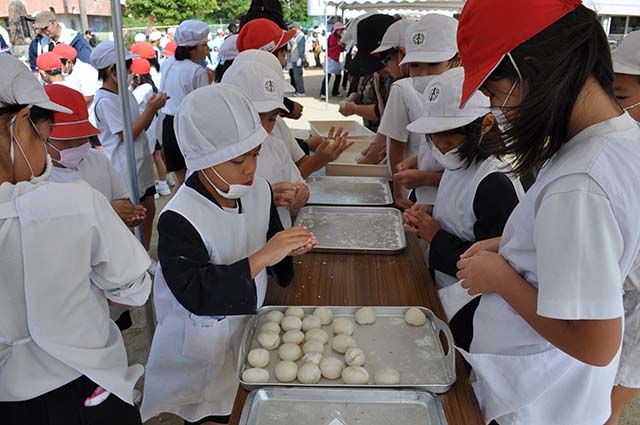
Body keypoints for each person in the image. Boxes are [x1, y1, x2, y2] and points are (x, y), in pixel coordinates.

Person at [454, 1, 640, 424]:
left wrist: (499, 276)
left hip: (539, 402)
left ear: (532, 71)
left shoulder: (580, 183)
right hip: (559, 395)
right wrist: (516, 243)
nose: (498, 114)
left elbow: (595, 342)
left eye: (497, 95)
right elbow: (605, 244)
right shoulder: (617, 140)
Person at [141, 84, 317, 425]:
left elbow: (267, 240)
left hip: (248, 326)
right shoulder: (180, 217)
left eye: (255, 154)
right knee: (208, 408)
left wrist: (287, 249)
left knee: (240, 403)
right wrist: (266, 255)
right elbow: (195, 289)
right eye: (239, 160)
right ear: (203, 160)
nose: (251, 168)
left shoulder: (258, 190)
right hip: (199, 342)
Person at [0, 52, 150, 425]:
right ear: (20, 125)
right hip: (80, 386)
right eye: (45, 137)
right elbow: (134, 287)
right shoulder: (72, 203)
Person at [404, 68, 523, 350]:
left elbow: (501, 265)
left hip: (475, 308)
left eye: (452, 134)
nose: (442, 145)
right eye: (434, 135)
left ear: (485, 124)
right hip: (449, 289)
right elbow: (464, 212)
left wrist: (435, 236)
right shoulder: (461, 162)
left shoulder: (495, 182)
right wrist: (433, 212)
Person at [91, 41, 168, 270]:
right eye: (126, 65)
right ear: (111, 70)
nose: (131, 70)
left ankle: (142, 254)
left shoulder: (124, 93)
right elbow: (128, 133)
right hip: (124, 167)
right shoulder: (105, 100)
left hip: (139, 163)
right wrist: (151, 110)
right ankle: (130, 260)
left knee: (148, 209)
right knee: (131, 216)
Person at [232, 48, 353, 179]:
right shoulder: (228, 149)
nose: (265, 128)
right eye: (257, 116)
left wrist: (322, 157)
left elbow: (295, 171)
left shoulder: (277, 137)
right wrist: (317, 160)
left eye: (271, 118)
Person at [382, 14, 459, 208]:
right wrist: (415, 161)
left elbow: (476, 177)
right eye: (415, 66)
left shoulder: (474, 103)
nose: (424, 74)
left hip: (456, 209)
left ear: (457, 61)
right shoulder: (430, 99)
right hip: (426, 203)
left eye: (433, 65)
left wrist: (426, 178)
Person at [222, 59, 309, 227]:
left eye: (271, 119)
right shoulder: (215, 157)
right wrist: (264, 198)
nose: (262, 127)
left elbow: (298, 181)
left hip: (279, 242)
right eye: (255, 116)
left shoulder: (276, 146)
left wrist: (301, 193)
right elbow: (216, 210)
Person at [607, 29, 640, 425]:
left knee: (605, 407)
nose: (611, 109)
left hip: (634, 309)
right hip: (619, 297)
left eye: (620, 98)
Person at [160, 20, 213, 187]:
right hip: (187, 126)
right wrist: (210, 81)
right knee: (191, 180)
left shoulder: (167, 63)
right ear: (193, 46)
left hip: (168, 124)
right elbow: (203, 105)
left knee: (181, 179)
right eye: (204, 45)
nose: (207, 49)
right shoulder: (197, 71)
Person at [339, 14, 396, 132]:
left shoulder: (401, 80)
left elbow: (387, 112)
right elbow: (361, 92)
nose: (378, 71)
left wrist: (355, 109)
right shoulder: (369, 70)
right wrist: (351, 100)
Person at [130, 57, 171, 197]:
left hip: (147, 128)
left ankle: (155, 186)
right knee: (156, 156)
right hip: (153, 126)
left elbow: (132, 101)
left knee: (149, 159)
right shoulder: (151, 86)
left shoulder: (143, 88)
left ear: (137, 76)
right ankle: (163, 184)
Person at [320, 22, 346, 98]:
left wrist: (342, 46)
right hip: (330, 58)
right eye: (339, 29)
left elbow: (339, 49)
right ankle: (323, 93)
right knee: (328, 76)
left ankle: (335, 91)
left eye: (341, 29)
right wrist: (339, 45)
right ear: (336, 30)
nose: (341, 31)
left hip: (335, 58)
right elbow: (331, 48)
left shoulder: (339, 38)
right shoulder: (332, 37)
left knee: (337, 76)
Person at [289, 22, 306, 96]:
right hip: (295, 58)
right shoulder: (297, 36)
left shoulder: (300, 36)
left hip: (297, 58)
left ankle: (300, 91)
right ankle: (300, 90)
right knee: (297, 75)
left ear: (295, 28)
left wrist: (300, 57)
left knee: (297, 76)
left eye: (292, 28)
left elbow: (301, 48)